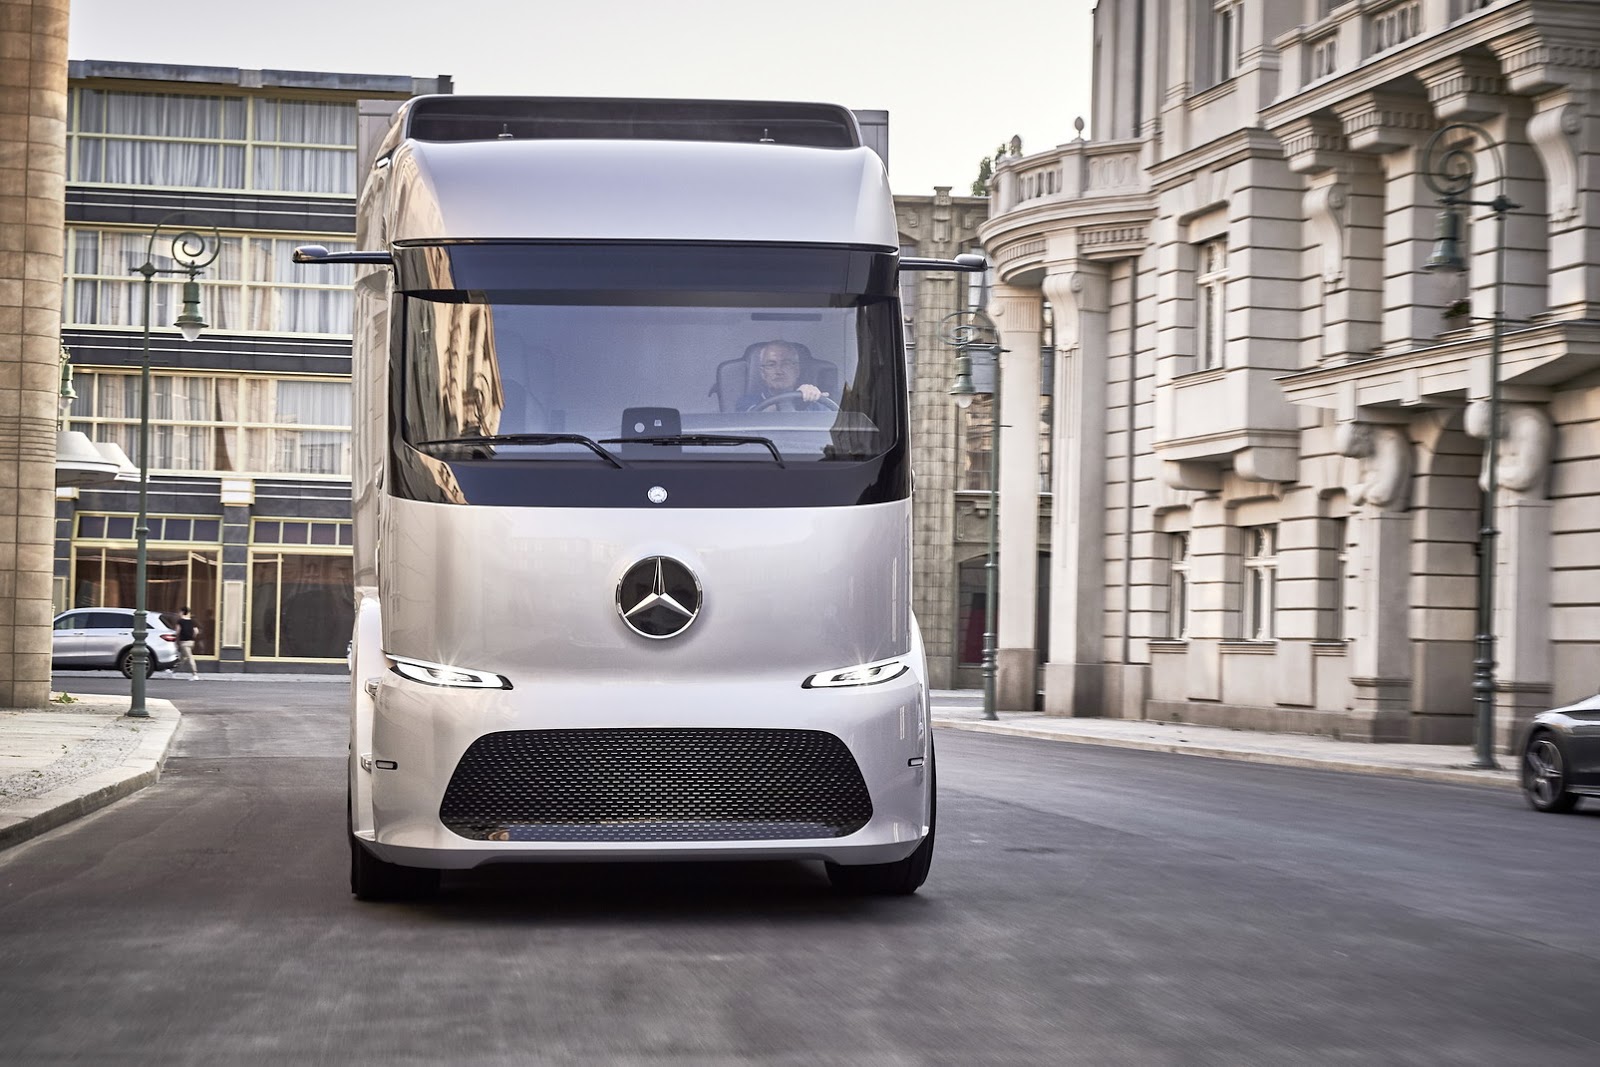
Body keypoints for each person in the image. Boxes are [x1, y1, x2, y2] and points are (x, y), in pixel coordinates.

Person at [735, 340, 830, 412]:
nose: (779, 371)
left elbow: (835, 432)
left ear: (797, 371)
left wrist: (813, 395)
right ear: (763, 373)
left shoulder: (815, 403)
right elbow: (753, 418)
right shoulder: (746, 403)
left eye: (786, 364)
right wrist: (795, 402)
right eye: (771, 365)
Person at [175, 607, 201, 680]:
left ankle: (194, 674)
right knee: (182, 658)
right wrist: (192, 636)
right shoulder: (192, 621)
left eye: (179, 612)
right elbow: (196, 631)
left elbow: (177, 631)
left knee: (190, 657)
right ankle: (174, 671)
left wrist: (176, 639)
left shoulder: (180, 621)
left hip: (184, 642)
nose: (178, 613)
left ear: (182, 612)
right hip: (191, 642)